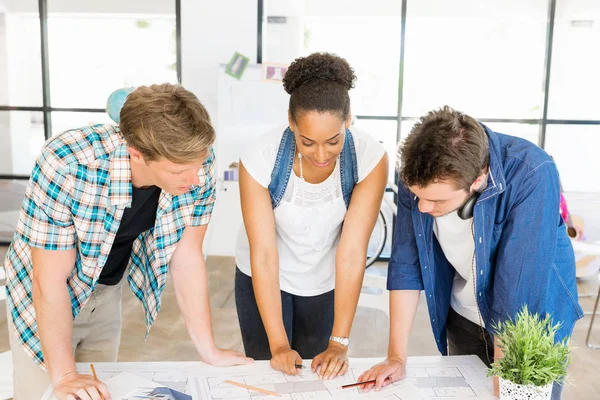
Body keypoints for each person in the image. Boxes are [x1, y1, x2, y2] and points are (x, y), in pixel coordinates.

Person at [3, 83, 252, 400]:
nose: (195, 180)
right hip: (40, 297)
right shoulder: (67, 164)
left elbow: (187, 257)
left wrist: (210, 351)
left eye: (198, 165)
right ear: (137, 154)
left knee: (102, 392)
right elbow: (49, 280)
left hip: (107, 292)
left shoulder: (193, 158)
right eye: (179, 171)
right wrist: (65, 376)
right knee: (50, 394)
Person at [359, 106, 583, 399]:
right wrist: (396, 358)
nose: (423, 208)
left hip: (530, 324)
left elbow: (518, 290)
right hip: (464, 312)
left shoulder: (532, 172)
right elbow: (406, 264)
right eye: (418, 196)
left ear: (478, 179)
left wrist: (508, 379)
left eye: (436, 199)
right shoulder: (415, 172)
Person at [235, 52, 388, 379]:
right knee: (272, 371)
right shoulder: (260, 157)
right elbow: (263, 255)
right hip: (260, 275)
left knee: (316, 375)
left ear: (349, 120)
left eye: (333, 141)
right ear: (291, 123)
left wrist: (339, 342)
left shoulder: (369, 158)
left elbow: (351, 253)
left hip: (325, 280)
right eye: (308, 142)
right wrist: (277, 345)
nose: (321, 154)